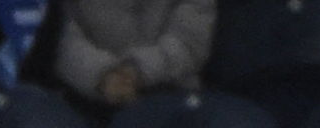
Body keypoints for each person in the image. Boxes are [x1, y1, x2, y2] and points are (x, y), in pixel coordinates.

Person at [53, 0, 216, 107]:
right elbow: (57, 36)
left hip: (173, 95)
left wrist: (137, 69)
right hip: (84, 98)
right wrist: (102, 75)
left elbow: (189, 42)